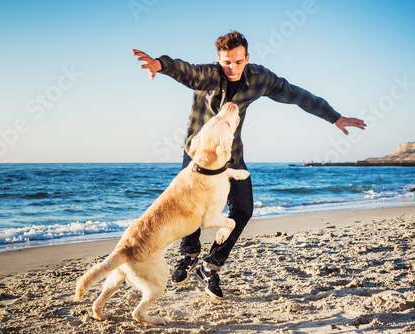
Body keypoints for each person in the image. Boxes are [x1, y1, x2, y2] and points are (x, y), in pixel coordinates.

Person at [132, 31, 366, 300]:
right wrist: (160, 65)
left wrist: (334, 117)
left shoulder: (259, 78)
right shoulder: (209, 74)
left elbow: (295, 94)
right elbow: (186, 71)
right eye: (226, 62)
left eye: (238, 62)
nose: (232, 68)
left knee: (243, 209)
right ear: (218, 60)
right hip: (198, 154)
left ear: (247, 58)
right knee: (190, 206)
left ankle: (211, 266)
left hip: (231, 155)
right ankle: (189, 253)